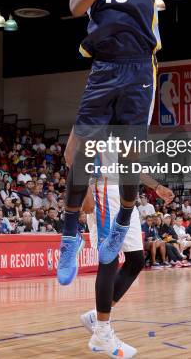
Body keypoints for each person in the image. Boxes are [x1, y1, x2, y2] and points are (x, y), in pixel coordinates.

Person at [57, 0, 162, 294]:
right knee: (75, 156)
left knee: (132, 156)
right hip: (103, 70)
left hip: (138, 67)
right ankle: (67, 234)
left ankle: (122, 220)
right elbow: (75, 7)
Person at [65, 130, 172, 358]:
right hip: (101, 189)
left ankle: (97, 315)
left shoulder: (125, 120)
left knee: (135, 260)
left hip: (124, 194)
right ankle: (102, 333)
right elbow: (70, 156)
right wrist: (83, 192)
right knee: (109, 261)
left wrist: (156, 186)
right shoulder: (95, 109)